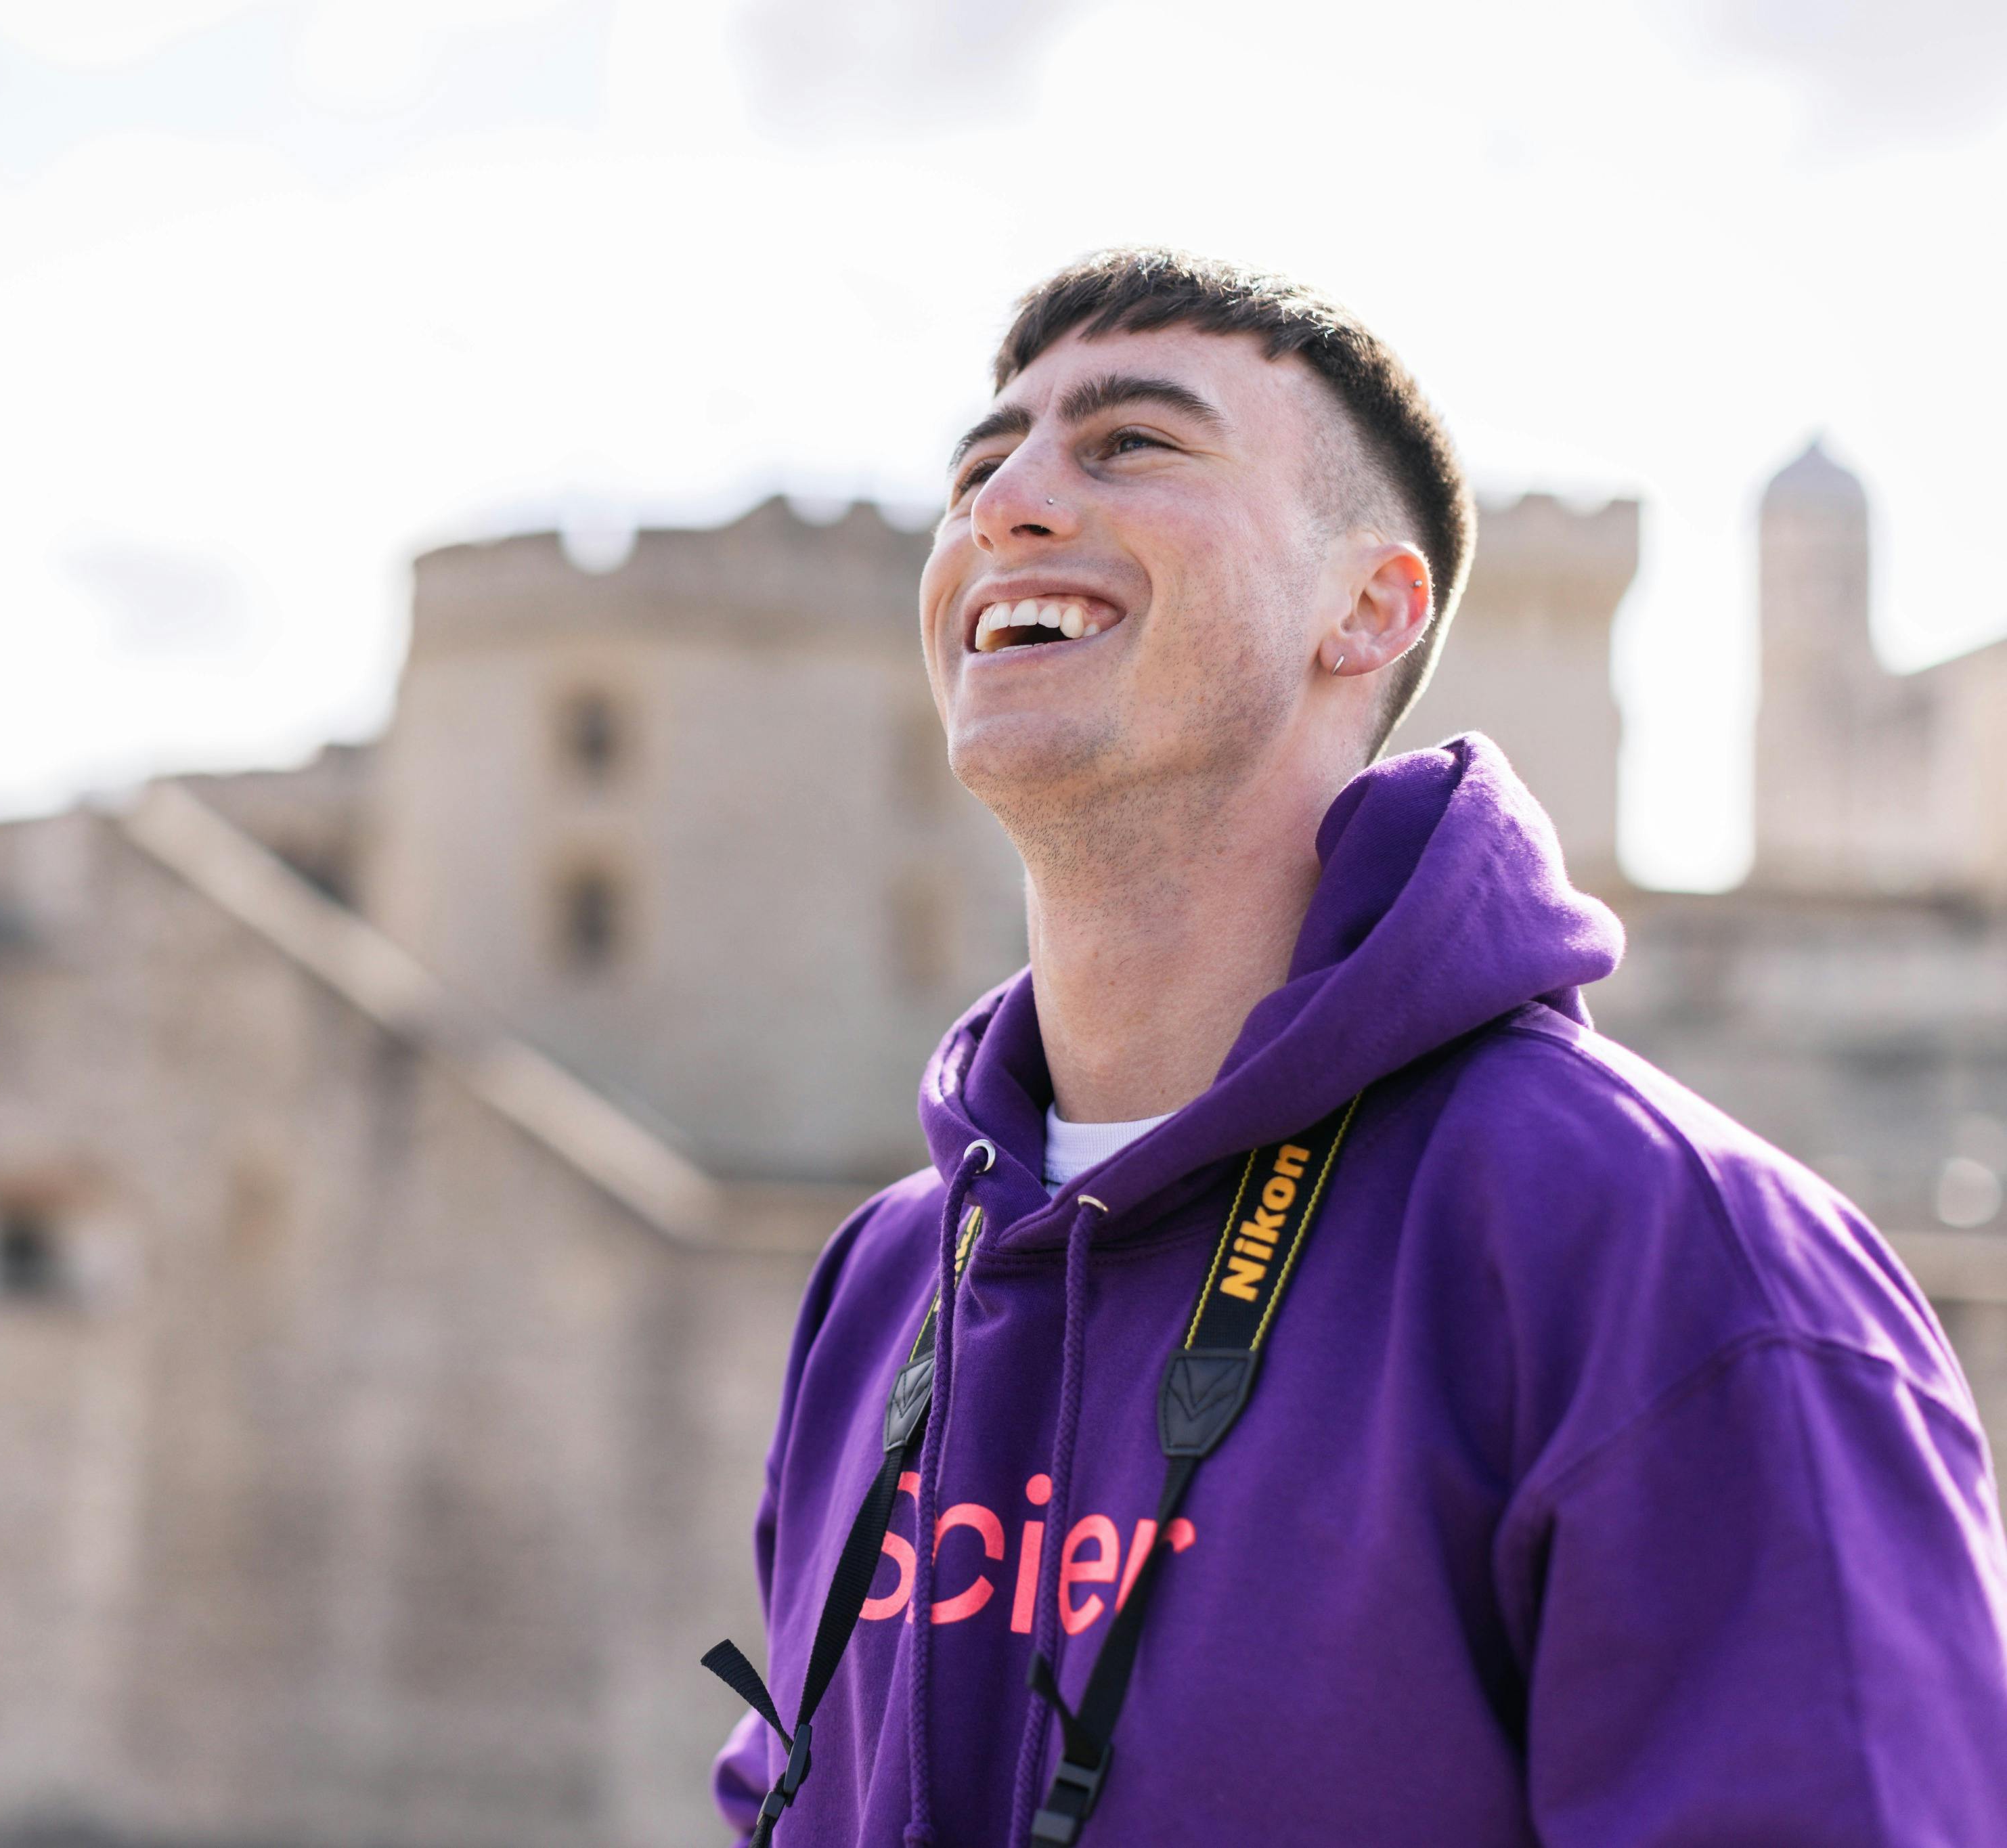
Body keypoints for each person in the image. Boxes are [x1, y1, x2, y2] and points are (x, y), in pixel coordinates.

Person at [705, 248, 2007, 1845]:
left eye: (1131, 444)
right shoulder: (888, 1284)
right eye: (980, 465)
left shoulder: (1672, 1255)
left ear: (1369, 608)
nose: (1004, 504)